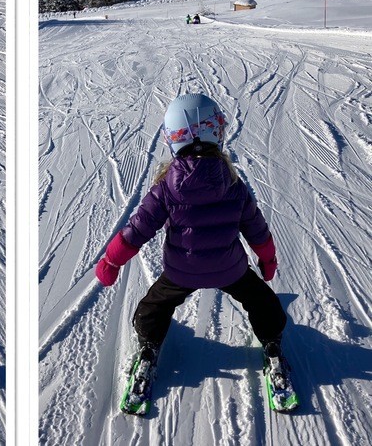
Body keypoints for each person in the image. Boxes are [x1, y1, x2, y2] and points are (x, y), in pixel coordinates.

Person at [95, 93, 287, 386]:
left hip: (181, 271)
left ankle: (148, 345)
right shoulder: (233, 184)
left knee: (154, 307)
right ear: (218, 134)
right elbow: (257, 231)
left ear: (173, 138)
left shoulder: (166, 188)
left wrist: (111, 261)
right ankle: (271, 342)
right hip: (230, 269)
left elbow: (137, 231)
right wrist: (268, 260)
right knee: (262, 302)